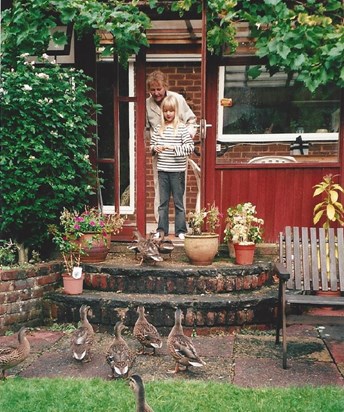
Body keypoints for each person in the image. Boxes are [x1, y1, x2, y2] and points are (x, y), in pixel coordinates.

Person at [146, 70, 197, 227]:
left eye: (159, 89)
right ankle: (160, 227)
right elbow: (148, 129)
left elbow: (192, 120)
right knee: (159, 189)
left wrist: (182, 139)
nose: (156, 93)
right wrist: (154, 145)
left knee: (178, 192)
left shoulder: (178, 99)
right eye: (152, 90)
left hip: (178, 156)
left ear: (165, 86)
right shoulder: (147, 104)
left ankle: (180, 227)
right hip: (161, 156)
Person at [150, 95, 195, 240]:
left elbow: (189, 148)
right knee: (162, 203)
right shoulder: (158, 129)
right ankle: (161, 230)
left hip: (177, 172)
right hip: (163, 170)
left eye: (171, 111)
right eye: (165, 111)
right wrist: (155, 148)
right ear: (162, 112)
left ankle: (181, 230)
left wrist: (172, 147)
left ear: (176, 112)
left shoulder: (182, 129)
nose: (168, 114)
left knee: (178, 202)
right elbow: (152, 145)